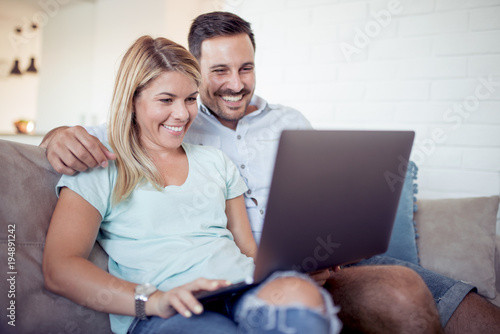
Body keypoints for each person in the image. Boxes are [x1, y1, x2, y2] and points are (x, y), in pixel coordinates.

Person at [40, 11, 500, 334]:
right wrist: (56, 133)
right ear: (195, 68)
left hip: (286, 269)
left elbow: (302, 220)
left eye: (246, 68)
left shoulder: (282, 126)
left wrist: (323, 249)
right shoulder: (145, 136)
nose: (235, 83)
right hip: (202, 288)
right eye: (219, 70)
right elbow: (114, 135)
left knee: (432, 293)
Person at [42, 35, 342, 334]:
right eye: (166, 100)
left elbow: (248, 249)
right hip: (167, 310)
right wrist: (155, 300)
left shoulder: (216, 161)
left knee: (303, 299)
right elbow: (60, 268)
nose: (183, 114)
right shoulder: (99, 164)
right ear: (132, 100)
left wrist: (296, 269)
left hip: (241, 288)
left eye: (190, 99)